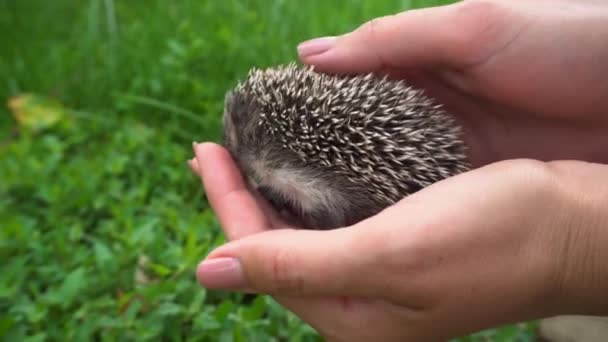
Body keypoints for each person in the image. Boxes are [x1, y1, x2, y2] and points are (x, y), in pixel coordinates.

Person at [188, 0, 608, 340]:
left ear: (261, 139)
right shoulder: (293, 147)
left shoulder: (288, 160)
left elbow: (322, 203)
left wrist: (570, 240)